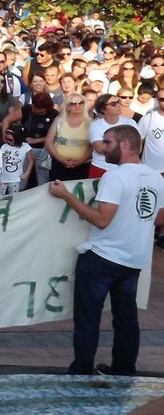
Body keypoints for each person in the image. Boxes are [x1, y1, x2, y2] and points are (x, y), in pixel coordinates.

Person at [50, 126, 164, 376]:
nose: (102, 146)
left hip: (103, 256)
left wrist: (66, 197)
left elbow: (102, 220)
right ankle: (124, 368)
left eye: (108, 142)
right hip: (134, 259)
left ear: (124, 145)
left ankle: (82, 369)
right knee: (126, 318)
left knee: (88, 317)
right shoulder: (157, 178)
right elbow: (158, 220)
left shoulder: (115, 176)